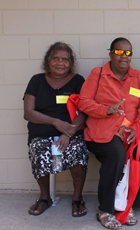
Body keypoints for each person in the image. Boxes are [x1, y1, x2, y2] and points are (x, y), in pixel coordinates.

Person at [78, 37, 140, 229]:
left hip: (131, 131)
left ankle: (128, 207)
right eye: (119, 52)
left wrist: (137, 128)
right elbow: (83, 102)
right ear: (111, 54)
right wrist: (106, 110)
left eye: (128, 53)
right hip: (102, 131)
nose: (124, 56)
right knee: (116, 154)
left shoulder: (138, 77)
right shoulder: (98, 74)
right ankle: (105, 209)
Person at [23, 42, 89, 217]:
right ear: (48, 60)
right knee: (38, 148)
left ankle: (77, 198)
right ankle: (45, 197)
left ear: (71, 62)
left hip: (71, 132)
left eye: (65, 59)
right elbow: (28, 113)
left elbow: (84, 112)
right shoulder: (36, 80)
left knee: (77, 149)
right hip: (42, 132)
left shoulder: (78, 81)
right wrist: (55, 122)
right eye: (56, 58)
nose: (60, 63)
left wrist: (69, 132)